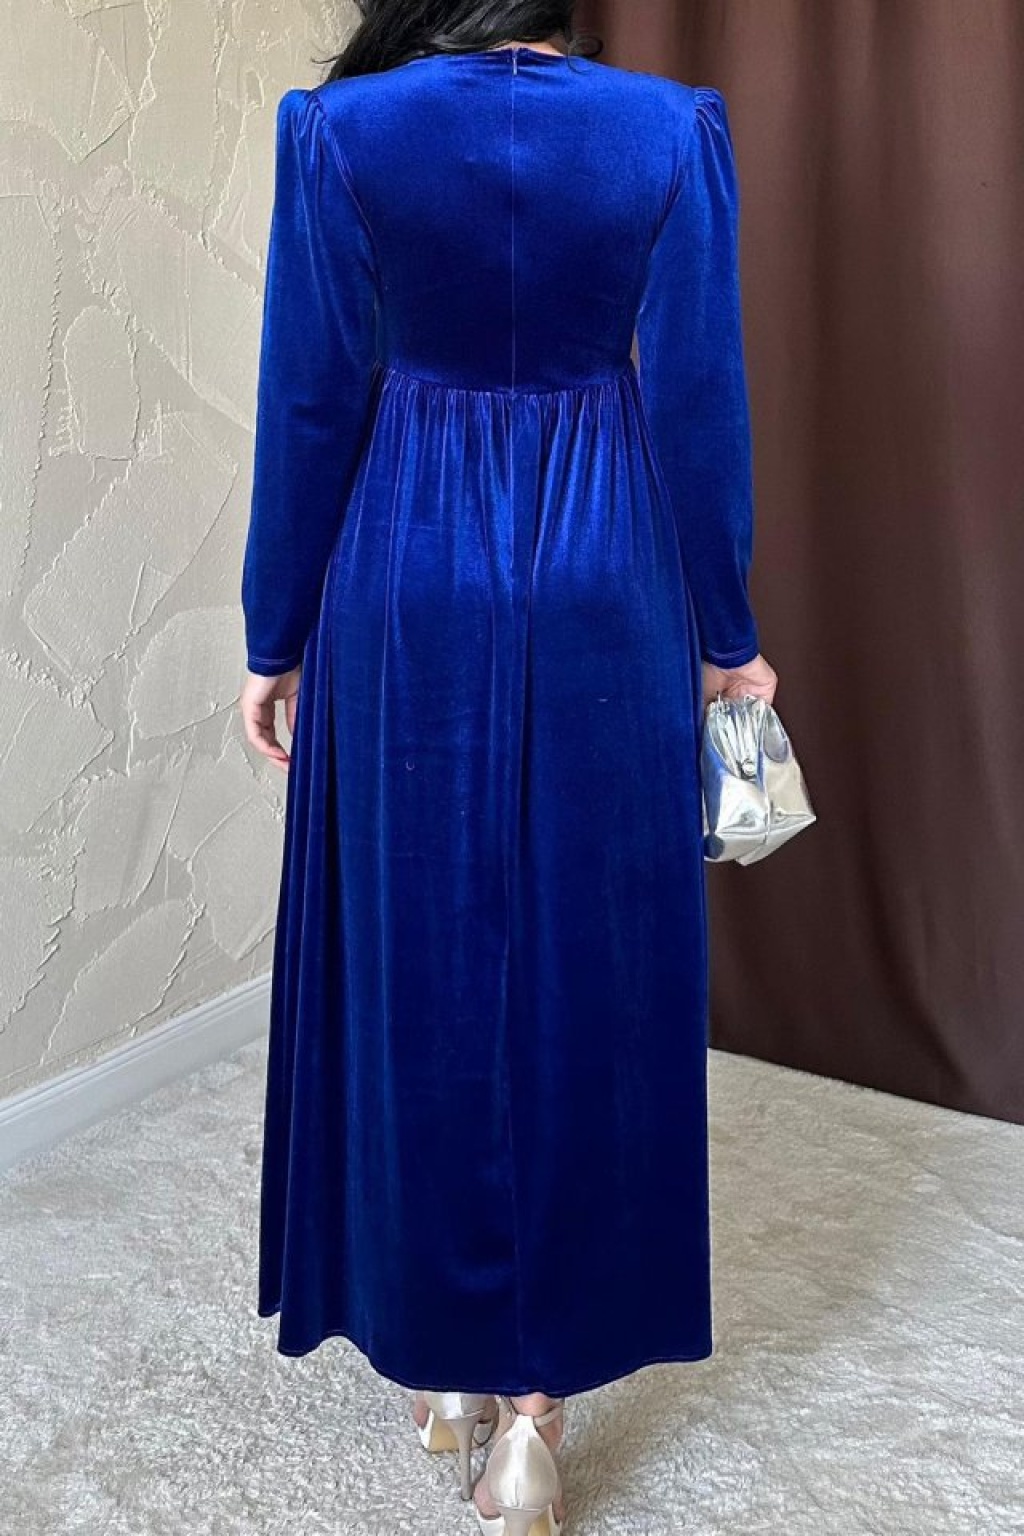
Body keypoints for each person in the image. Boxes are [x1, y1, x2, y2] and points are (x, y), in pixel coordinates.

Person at [238, 3, 778, 1531]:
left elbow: (311, 400)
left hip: (407, 561)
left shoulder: (339, 132)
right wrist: (729, 637)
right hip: (607, 564)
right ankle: (536, 1420)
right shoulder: (670, 129)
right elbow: (697, 401)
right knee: (586, 965)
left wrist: (273, 633)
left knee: (417, 955)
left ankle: (448, 1365)